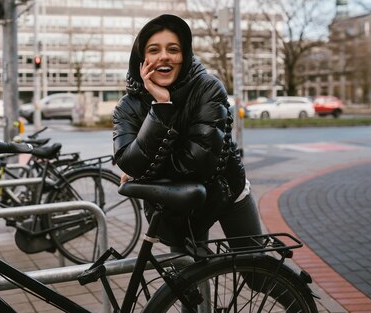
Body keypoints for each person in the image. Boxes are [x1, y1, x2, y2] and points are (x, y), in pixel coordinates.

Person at [112, 14, 262, 248]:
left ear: (184, 55)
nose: (164, 56)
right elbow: (128, 162)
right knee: (185, 277)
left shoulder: (208, 88)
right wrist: (160, 108)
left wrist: (145, 174)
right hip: (175, 206)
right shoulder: (127, 106)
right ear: (142, 59)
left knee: (257, 272)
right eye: (154, 50)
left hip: (225, 192)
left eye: (173, 49)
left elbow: (196, 164)